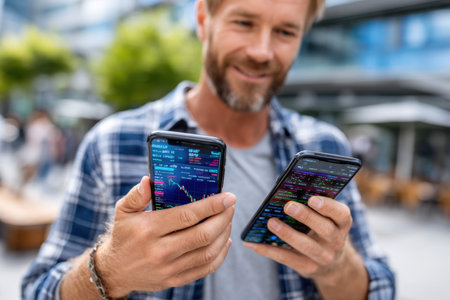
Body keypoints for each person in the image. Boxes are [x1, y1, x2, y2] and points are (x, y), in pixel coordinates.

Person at [22, 0, 395, 299]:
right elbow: (38, 290)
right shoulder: (112, 141)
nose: (262, 51)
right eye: (244, 22)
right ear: (203, 19)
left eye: (284, 31)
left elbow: (381, 287)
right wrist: (110, 269)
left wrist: (335, 266)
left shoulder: (325, 146)